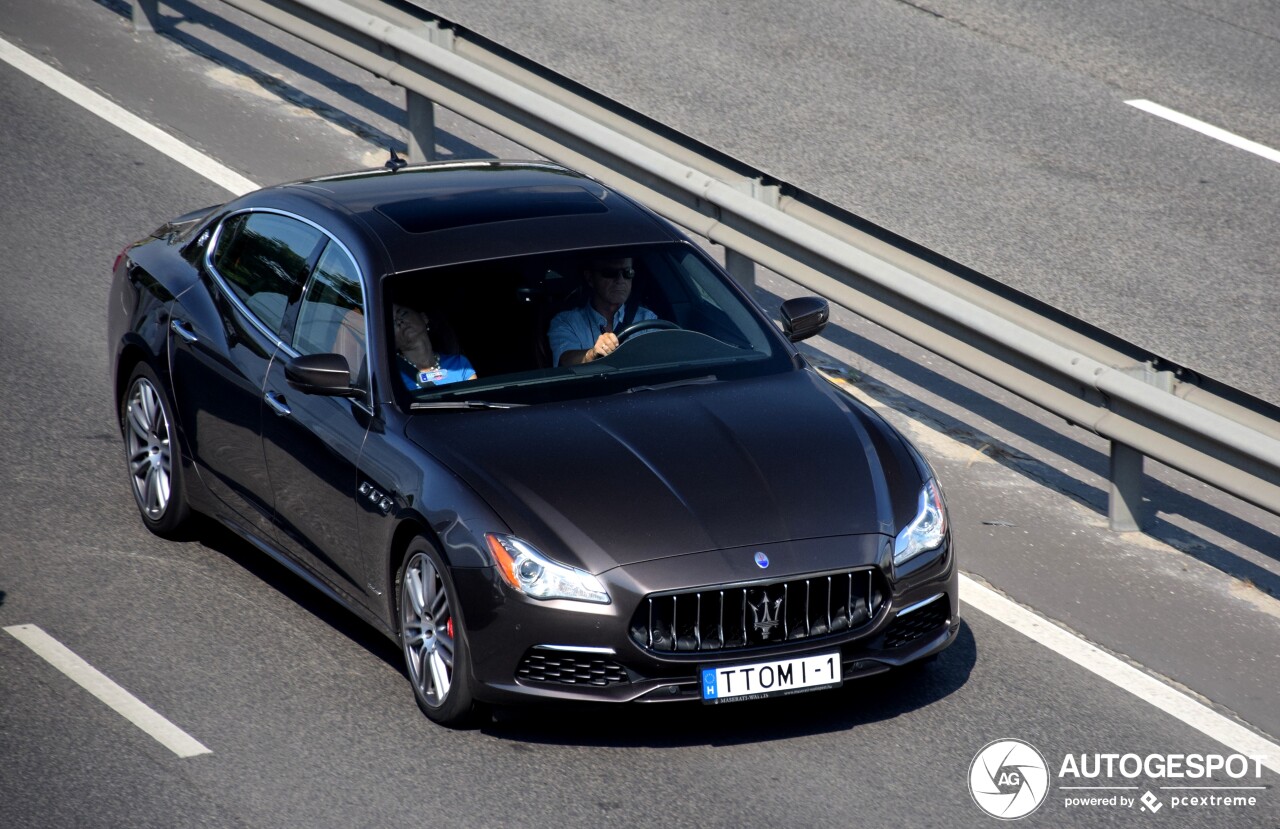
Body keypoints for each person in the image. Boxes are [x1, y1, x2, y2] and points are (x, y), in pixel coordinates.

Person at [548, 255, 658, 366]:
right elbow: (566, 360)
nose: (620, 280)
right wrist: (592, 354)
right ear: (590, 278)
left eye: (628, 272)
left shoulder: (647, 319)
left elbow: (660, 360)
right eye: (610, 272)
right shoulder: (566, 322)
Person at [392, 304, 477, 389]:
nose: (399, 321)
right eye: (391, 322)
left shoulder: (459, 364)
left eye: (403, 314)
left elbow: (473, 399)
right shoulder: (391, 375)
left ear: (424, 317)